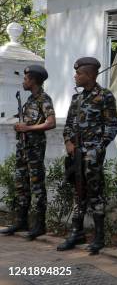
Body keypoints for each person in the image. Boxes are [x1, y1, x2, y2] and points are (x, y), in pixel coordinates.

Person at [58, 57, 117, 254]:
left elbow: (111, 127)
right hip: (76, 154)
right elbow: (68, 125)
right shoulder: (77, 99)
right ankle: (77, 232)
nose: (75, 76)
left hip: (92, 156)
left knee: (95, 193)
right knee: (78, 192)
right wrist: (68, 142)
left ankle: (99, 237)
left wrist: (98, 148)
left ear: (90, 75)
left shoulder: (105, 96)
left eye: (79, 73)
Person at [0, 65, 56, 240]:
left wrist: (28, 127)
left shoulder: (43, 99)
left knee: (36, 186)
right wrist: (19, 124)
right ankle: (21, 221)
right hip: (22, 149)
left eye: (25, 79)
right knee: (21, 185)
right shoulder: (30, 100)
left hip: (34, 151)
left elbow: (51, 123)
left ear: (33, 80)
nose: (23, 81)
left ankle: (39, 225)